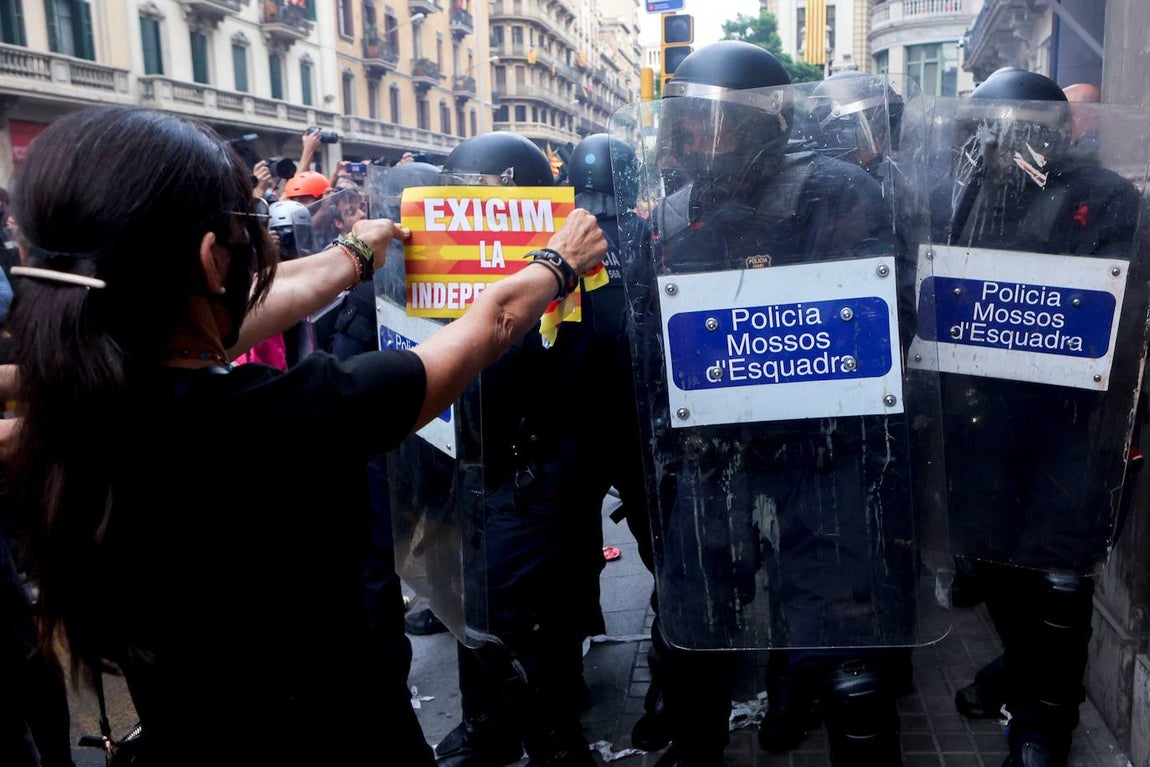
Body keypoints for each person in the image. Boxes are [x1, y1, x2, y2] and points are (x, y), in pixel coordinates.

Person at [2, 105, 606, 767]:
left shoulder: (74, 412)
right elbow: (490, 325)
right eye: (247, 231)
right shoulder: (283, 416)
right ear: (210, 260)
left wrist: (354, 255)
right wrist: (558, 261)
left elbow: (236, 313)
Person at [621, 41, 915, 767]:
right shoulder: (674, 211)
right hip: (715, 457)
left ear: (758, 124)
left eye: (708, 124)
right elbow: (649, 336)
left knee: (848, 652)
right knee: (693, 633)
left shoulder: (837, 191)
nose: (693, 139)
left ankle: (805, 707)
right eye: (686, 123)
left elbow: (885, 317)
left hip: (824, 453)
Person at [932, 68, 1144, 767]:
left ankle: (1041, 732)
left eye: (1008, 132)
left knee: (1059, 576)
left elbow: (1125, 314)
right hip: (988, 420)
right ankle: (1023, 676)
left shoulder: (1105, 198)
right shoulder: (969, 193)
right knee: (992, 561)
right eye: (985, 133)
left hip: (1074, 425)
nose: (994, 146)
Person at [426, 131, 606, 767]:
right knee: (472, 604)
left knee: (526, 617)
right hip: (469, 471)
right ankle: (489, 726)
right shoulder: (440, 274)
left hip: (536, 472)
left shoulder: (581, 276)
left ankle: (555, 741)